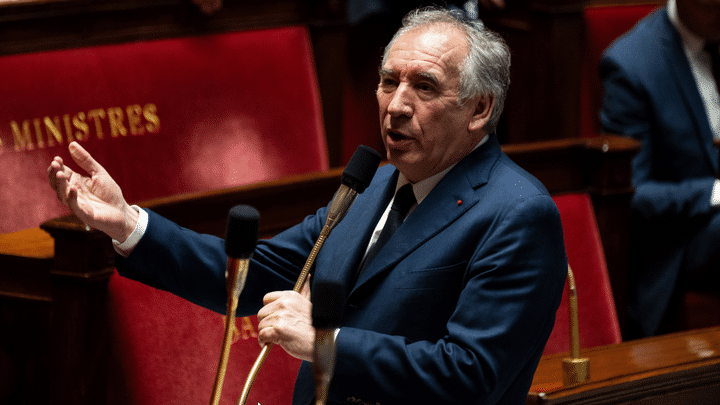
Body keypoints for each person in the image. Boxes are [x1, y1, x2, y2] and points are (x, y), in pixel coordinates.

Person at [48, 7, 566, 404]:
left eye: (424, 86)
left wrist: (326, 341)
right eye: (389, 81)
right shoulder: (375, 187)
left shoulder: (516, 213)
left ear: (481, 108)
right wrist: (128, 225)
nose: (397, 105)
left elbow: (472, 376)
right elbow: (256, 274)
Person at [599, 0, 720, 337]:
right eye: (712, 6)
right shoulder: (631, 64)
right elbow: (634, 194)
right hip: (683, 237)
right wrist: (715, 192)